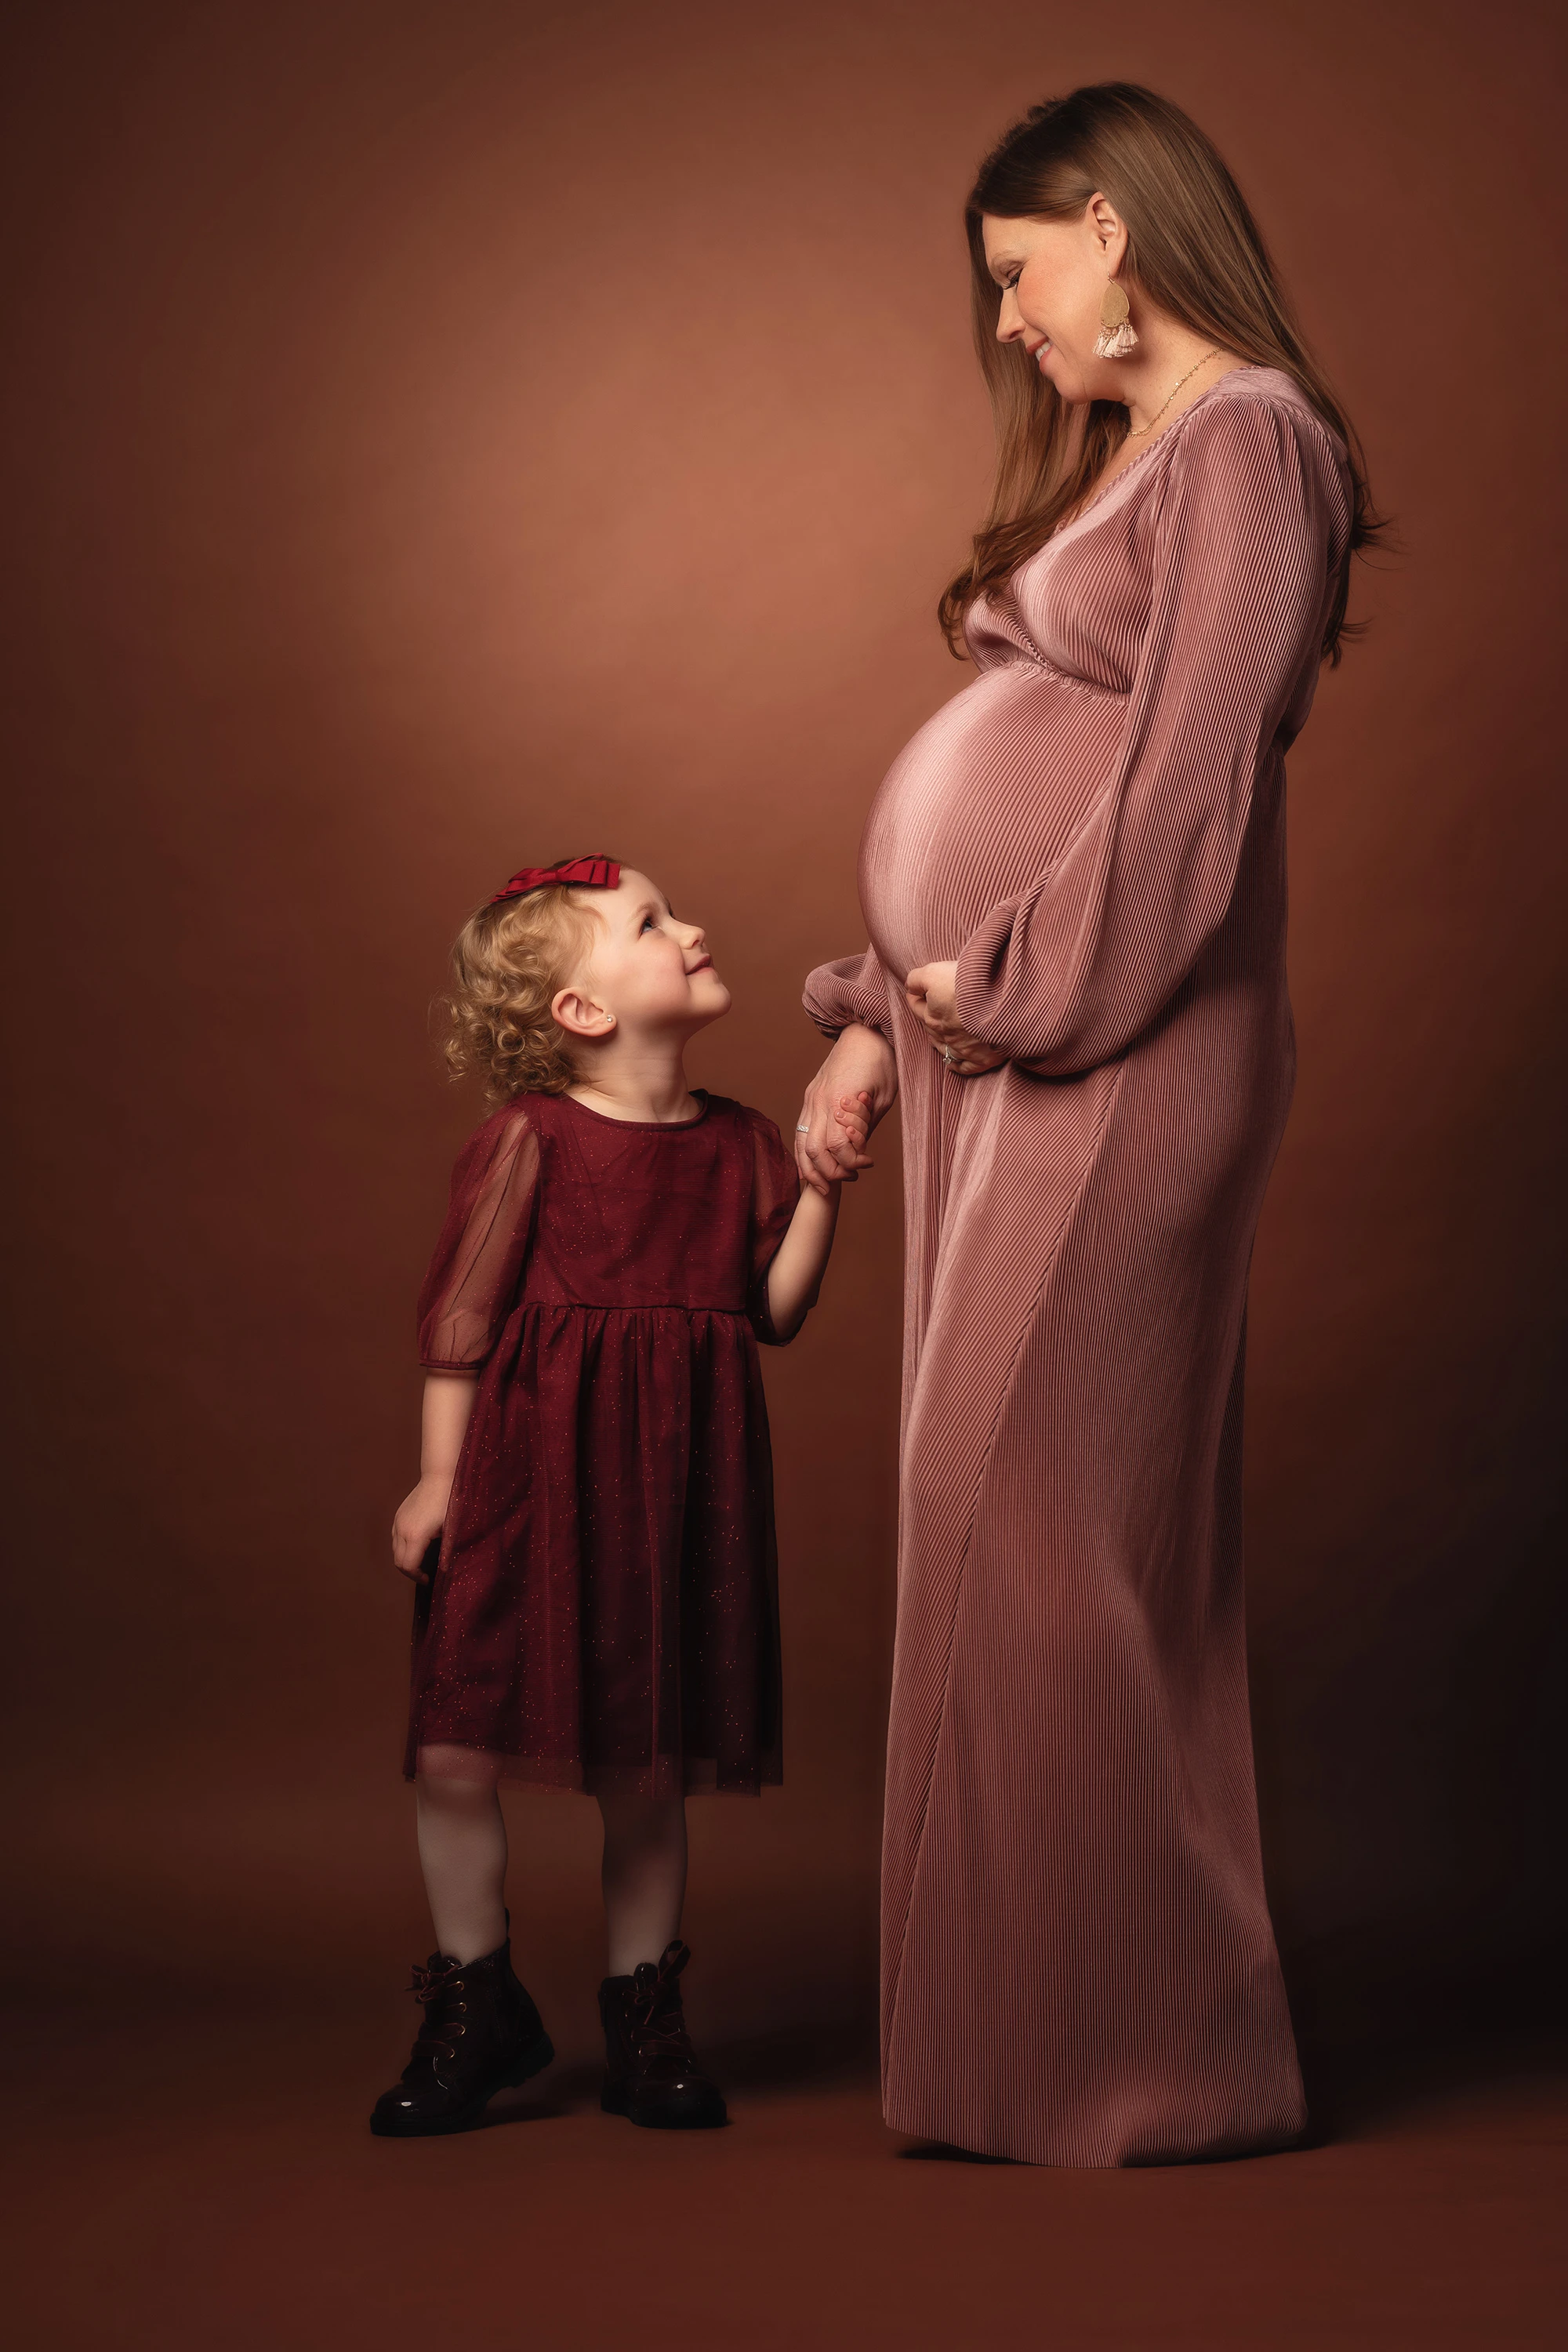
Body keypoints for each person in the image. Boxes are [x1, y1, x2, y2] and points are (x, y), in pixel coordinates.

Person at [794, 83, 1384, 2165]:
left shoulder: (1255, 444)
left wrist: (1017, 993)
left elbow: (1189, 798)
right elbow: (1050, 791)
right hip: (1016, 1046)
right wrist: (888, 1011)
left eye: (1019, 275)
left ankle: (1151, 2061)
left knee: (1045, 1544)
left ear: (1117, 227)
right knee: (993, 1552)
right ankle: (1023, 2047)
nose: (1014, 325)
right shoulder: (1149, 450)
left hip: (1120, 1050)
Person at [371, 854, 870, 2138]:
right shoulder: (529, 1141)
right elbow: (463, 1320)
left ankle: (645, 2014)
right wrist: (439, 1477)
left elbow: (774, 1311)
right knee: (454, 1750)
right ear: (582, 1012)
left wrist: (817, 1189)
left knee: (646, 1768)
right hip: (527, 1478)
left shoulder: (742, 1142)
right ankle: (476, 2001)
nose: (692, 924)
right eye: (652, 922)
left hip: (673, 1486)